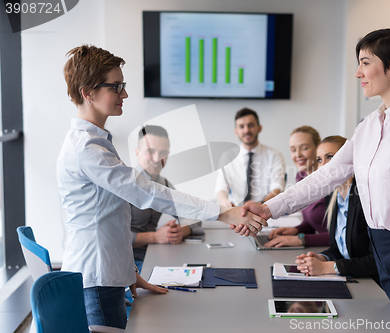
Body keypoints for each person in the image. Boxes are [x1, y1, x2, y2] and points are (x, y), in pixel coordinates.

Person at [238, 28, 390, 332]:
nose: (358, 73)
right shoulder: (369, 126)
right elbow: (326, 176)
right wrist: (270, 208)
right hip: (380, 249)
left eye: (365, 63)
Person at [58, 45, 265, 329]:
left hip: (107, 274)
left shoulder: (96, 143)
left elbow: (109, 220)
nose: (125, 94)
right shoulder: (87, 149)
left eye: (123, 85)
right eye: (116, 86)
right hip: (97, 279)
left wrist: (127, 272)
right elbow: (148, 192)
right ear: (88, 92)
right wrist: (223, 212)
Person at [294, 136, 379, 283]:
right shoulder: (333, 197)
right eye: (320, 160)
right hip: (353, 279)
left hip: (374, 284)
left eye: (330, 157)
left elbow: (375, 261)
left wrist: (327, 267)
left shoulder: (365, 199)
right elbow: (338, 248)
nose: (324, 166)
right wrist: (321, 258)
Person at [131, 125, 205, 272]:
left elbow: (194, 216)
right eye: (151, 151)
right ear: (137, 153)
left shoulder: (163, 184)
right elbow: (111, 237)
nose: (158, 159)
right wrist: (155, 237)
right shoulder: (124, 184)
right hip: (127, 263)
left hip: (154, 256)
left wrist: (181, 231)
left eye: (163, 152)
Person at [265, 126, 330, 247]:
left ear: (318, 149)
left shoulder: (331, 182)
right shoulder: (301, 176)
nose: (298, 154)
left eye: (304, 148)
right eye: (293, 150)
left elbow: (342, 236)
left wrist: (301, 240)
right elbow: (314, 222)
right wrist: (297, 230)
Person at [214, 108, 285, 207]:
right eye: (241, 127)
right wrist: (225, 203)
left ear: (259, 128)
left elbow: (277, 187)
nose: (246, 130)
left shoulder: (275, 155)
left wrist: (261, 205)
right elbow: (221, 187)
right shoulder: (228, 156)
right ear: (236, 131)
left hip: (264, 208)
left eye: (250, 125)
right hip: (235, 210)